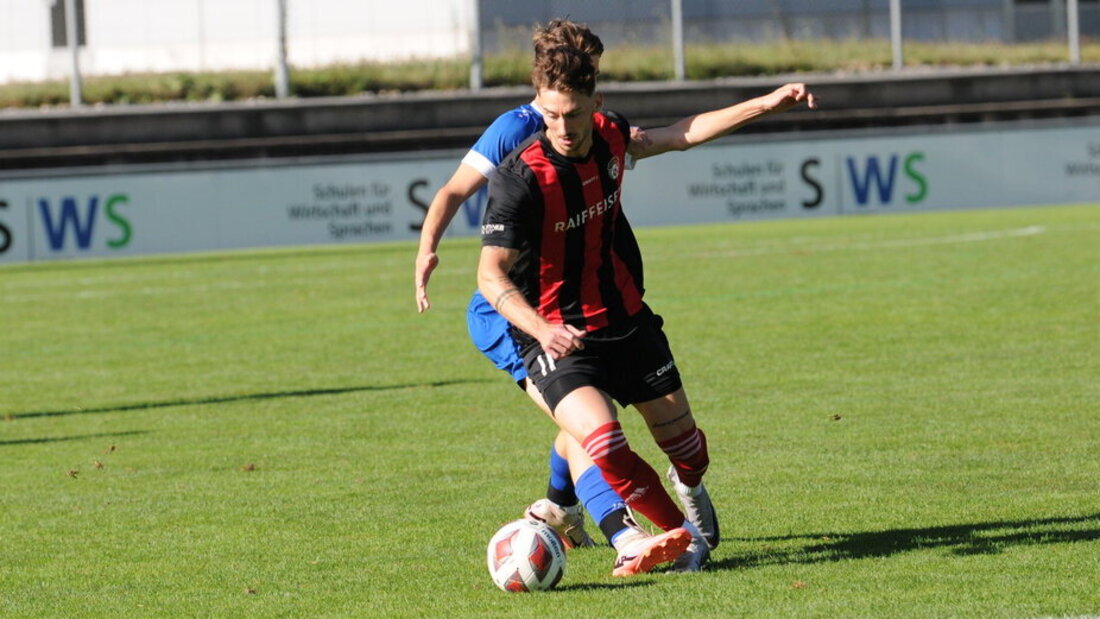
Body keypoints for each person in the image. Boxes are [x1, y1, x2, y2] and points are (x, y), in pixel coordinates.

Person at [478, 47, 817, 573]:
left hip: (627, 322)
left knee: (688, 449)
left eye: (573, 112)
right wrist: (542, 328)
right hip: (556, 335)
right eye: (550, 115)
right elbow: (489, 275)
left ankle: (690, 484)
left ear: (596, 102)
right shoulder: (518, 179)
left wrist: (765, 105)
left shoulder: (611, 135)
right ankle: (684, 539)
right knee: (604, 441)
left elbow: (680, 133)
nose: (562, 127)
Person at [415, 20, 693, 576]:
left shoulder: (593, 126)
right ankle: (625, 535)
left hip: (579, 306)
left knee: (587, 420)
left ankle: (561, 507)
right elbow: (452, 190)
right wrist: (427, 251)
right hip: (512, 312)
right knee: (589, 424)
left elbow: (653, 143)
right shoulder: (516, 127)